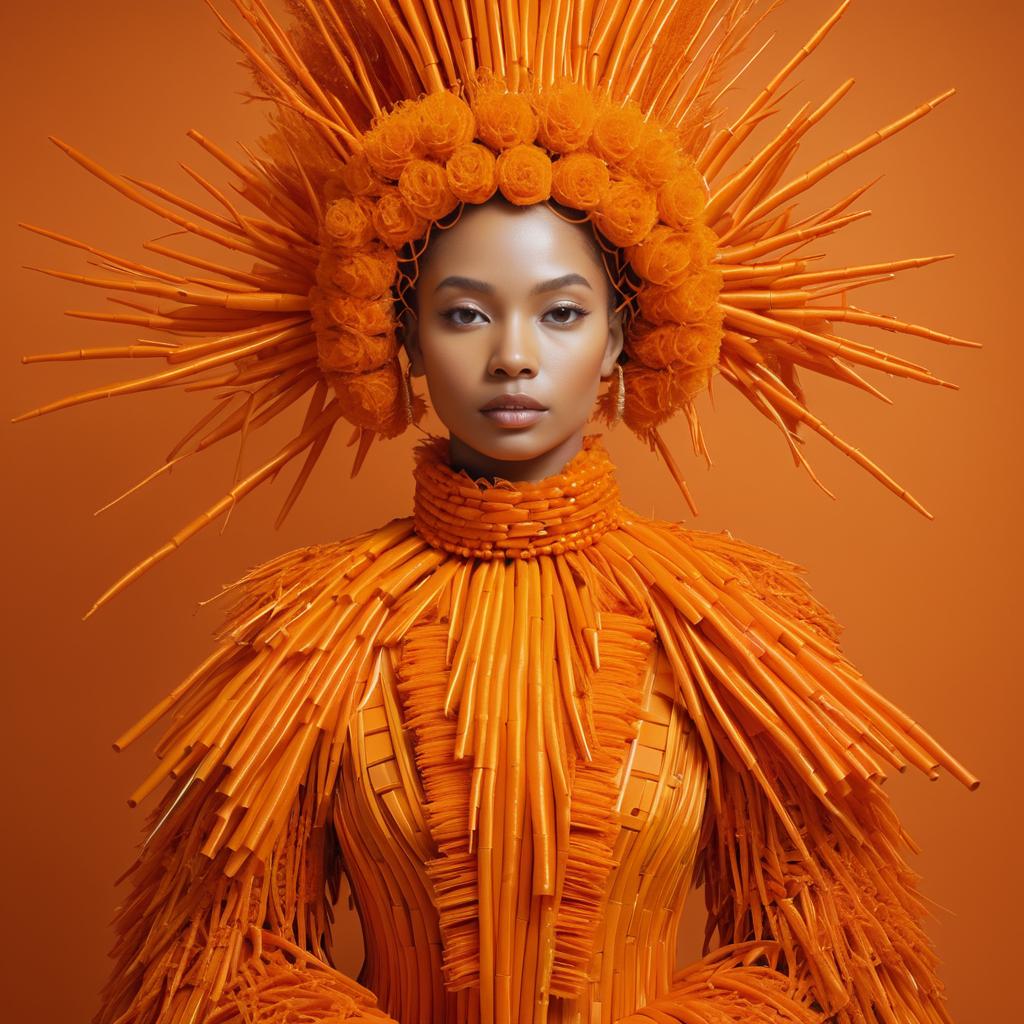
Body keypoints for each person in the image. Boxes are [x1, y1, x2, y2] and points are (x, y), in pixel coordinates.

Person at [16, 2, 979, 1022]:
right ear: (403, 335)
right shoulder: (307, 641)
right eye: (465, 311)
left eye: (560, 311)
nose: (512, 354)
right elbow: (208, 968)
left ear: (620, 336)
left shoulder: (732, 630)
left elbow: (838, 964)